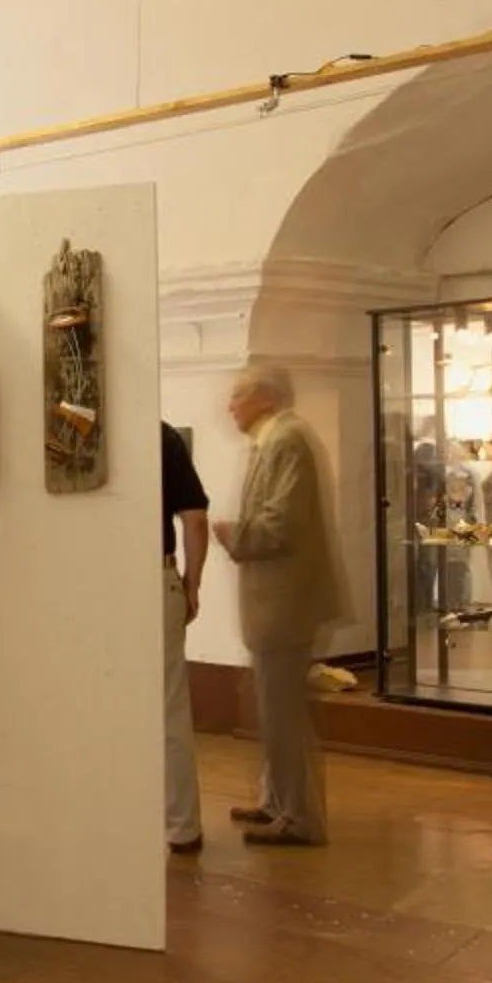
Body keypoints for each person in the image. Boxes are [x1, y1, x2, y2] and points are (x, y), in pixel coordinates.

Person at [213, 363, 344, 848]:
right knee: (274, 710)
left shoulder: (286, 440)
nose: (230, 405)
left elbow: (282, 522)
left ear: (266, 398)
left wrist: (234, 534)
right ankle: (276, 801)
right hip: (275, 604)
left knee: (284, 713)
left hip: (285, 604)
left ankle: (298, 817)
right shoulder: (273, 440)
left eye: (238, 395)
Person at [159, 422, 211, 853]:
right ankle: (182, 827)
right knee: (169, 710)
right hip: (153, 576)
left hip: (92, 582)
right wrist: (192, 584)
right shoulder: (161, 436)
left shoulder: (75, 422)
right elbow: (195, 519)